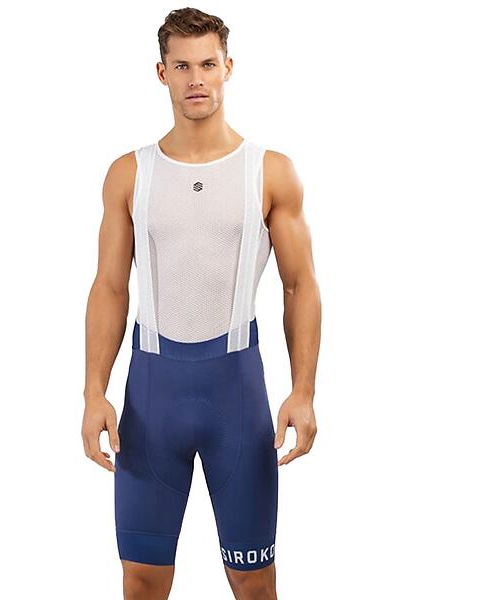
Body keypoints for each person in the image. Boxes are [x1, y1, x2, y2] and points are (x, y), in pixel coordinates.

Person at [82, 7, 321, 599]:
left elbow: (300, 285)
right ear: (161, 72)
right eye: (183, 66)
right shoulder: (129, 174)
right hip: (151, 399)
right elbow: (109, 287)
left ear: (228, 68)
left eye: (208, 64)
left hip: (235, 396)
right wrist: (93, 392)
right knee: (141, 580)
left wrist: (303, 391)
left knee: (253, 581)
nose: (196, 78)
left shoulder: (269, 172)